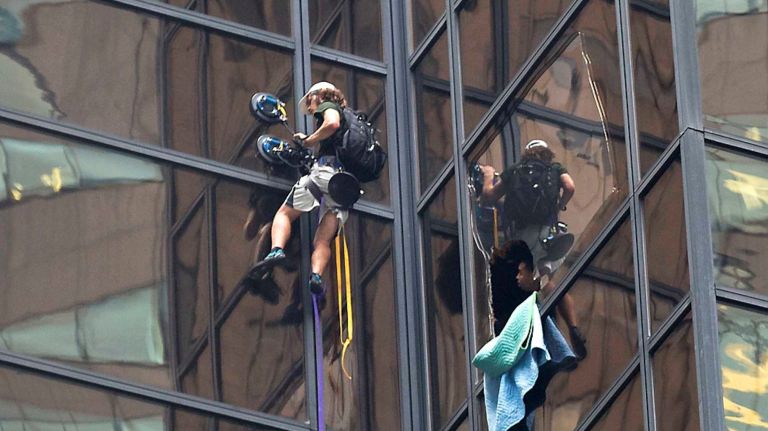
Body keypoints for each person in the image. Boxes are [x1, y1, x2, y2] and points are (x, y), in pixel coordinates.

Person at [250, 82, 350, 294]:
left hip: (326, 174)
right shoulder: (353, 124)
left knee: (284, 214)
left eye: (310, 103)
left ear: (319, 96)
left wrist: (309, 140)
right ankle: (316, 275)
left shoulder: (329, 107)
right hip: (344, 188)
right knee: (323, 240)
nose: (311, 109)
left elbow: (331, 124)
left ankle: (276, 249)